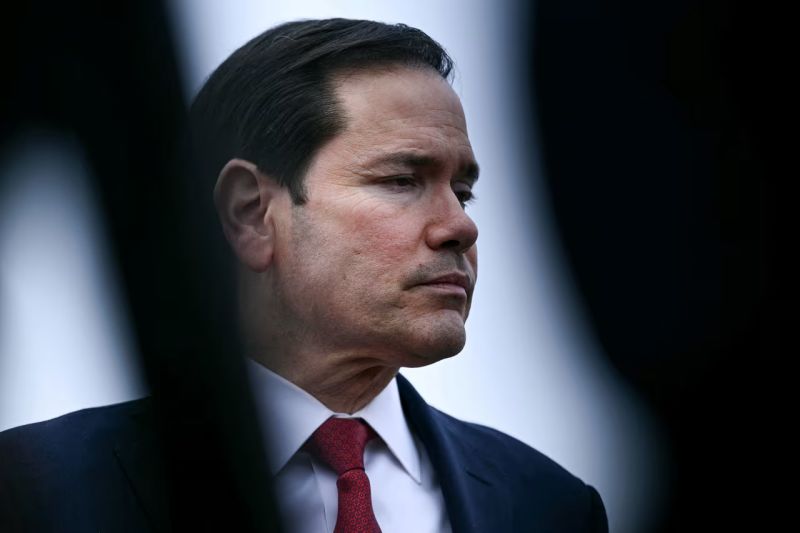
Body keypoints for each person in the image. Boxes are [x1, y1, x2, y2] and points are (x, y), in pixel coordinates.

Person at [0, 18, 608, 532]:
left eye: (464, 192)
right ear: (250, 213)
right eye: (402, 181)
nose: (460, 227)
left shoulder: (553, 505)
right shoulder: (34, 489)